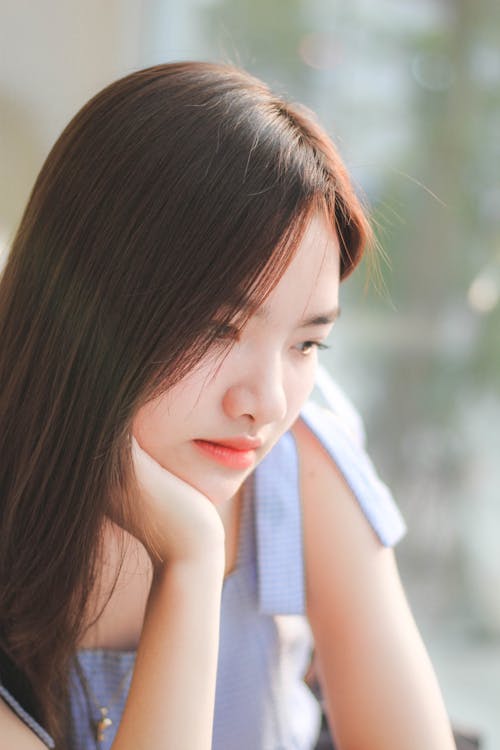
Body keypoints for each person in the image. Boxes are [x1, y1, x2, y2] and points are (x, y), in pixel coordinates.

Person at [0, 62, 456, 750]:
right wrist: (191, 559)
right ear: (83, 309)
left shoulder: (298, 466)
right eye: (218, 330)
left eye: (308, 343)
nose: (266, 404)